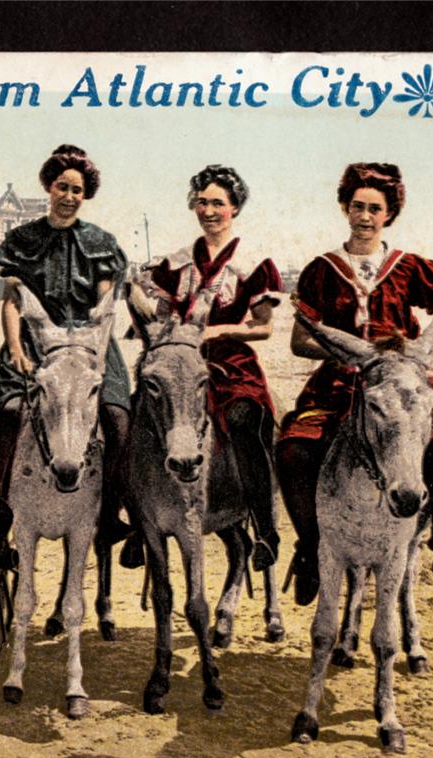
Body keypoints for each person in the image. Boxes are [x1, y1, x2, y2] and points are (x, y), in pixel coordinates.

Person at [276, 162, 433, 611]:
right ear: (344, 209)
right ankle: (310, 548)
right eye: (357, 207)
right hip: (338, 382)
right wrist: (346, 354)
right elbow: (299, 340)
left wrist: (425, 356)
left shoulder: (409, 267)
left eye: (374, 209)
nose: (364, 217)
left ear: (389, 214)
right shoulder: (322, 269)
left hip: (401, 381)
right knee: (294, 450)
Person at [0, 144, 132, 545]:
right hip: (33, 337)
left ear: (86, 194)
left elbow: (104, 308)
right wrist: (15, 349)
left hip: (91, 342)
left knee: (117, 418)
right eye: (62, 187)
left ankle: (110, 513)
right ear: (49, 187)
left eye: (77, 190)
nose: (69, 197)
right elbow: (12, 302)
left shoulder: (100, 242)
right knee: (10, 411)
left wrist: (94, 352)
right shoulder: (23, 239)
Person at [135, 164, 284, 570]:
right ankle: (137, 517)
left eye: (218, 203)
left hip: (231, 364)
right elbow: (162, 316)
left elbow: (264, 327)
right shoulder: (177, 263)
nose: (209, 211)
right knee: (140, 409)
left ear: (235, 207)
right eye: (202, 202)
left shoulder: (253, 264)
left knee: (244, 420)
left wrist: (217, 331)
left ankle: (265, 528)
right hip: (180, 361)